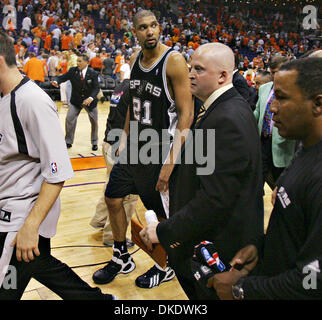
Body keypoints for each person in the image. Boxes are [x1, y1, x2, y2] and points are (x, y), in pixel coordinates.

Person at [139, 42, 264, 299]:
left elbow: (215, 199)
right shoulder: (222, 108)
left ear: (222, 76)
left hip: (217, 251)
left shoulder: (227, 117)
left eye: (199, 69)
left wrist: (164, 231)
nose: (190, 74)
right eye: (189, 68)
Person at [0, 31, 116, 300]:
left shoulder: (31, 101)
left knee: (9, 285)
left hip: (21, 216)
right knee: (41, 265)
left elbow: (57, 173)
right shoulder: (6, 97)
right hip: (11, 210)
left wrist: (31, 226)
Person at [92, 9, 194, 289]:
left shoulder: (173, 61)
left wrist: (171, 162)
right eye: (142, 27)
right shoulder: (135, 59)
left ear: (159, 28)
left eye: (153, 26)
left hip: (160, 149)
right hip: (135, 147)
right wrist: (123, 136)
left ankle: (167, 265)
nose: (149, 31)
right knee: (113, 198)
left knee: (160, 215)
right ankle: (121, 255)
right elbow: (132, 103)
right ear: (134, 32)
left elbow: (187, 114)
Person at [209, 57, 322, 300]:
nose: (272, 108)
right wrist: (262, 248)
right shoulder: (305, 149)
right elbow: (295, 232)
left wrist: (241, 290)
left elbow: (313, 282)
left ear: (318, 104)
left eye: (281, 97)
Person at [90, 79, 138, 246]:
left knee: (110, 185)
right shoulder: (138, 89)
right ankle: (113, 236)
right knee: (127, 195)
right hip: (122, 146)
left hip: (109, 141)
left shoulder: (122, 85)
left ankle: (99, 220)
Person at [253, 55, 296, 190]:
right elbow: (257, 114)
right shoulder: (264, 88)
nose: (274, 76)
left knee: (282, 186)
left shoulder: (295, 91)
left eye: (277, 72)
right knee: (256, 183)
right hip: (262, 142)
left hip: (283, 145)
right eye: (272, 72)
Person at [51, 54, 100, 151]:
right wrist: (56, 81)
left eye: (80, 61)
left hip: (90, 102)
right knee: (69, 119)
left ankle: (94, 142)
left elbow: (96, 88)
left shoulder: (93, 73)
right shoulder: (73, 70)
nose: (78, 63)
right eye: (77, 61)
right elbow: (63, 77)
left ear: (87, 62)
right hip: (76, 101)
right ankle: (68, 141)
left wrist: (91, 97)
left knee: (94, 122)